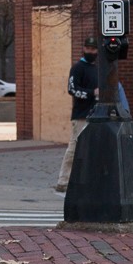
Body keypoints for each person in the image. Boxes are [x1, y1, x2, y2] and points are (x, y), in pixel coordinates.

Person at [55, 35, 99, 192]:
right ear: (84, 49)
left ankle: (89, 178)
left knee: (93, 149)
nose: (90, 51)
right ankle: (64, 180)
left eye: (93, 49)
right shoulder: (78, 68)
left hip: (96, 115)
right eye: (88, 48)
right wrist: (91, 93)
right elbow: (72, 89)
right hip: (81, 114)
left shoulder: (98, 69)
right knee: (74, 148)